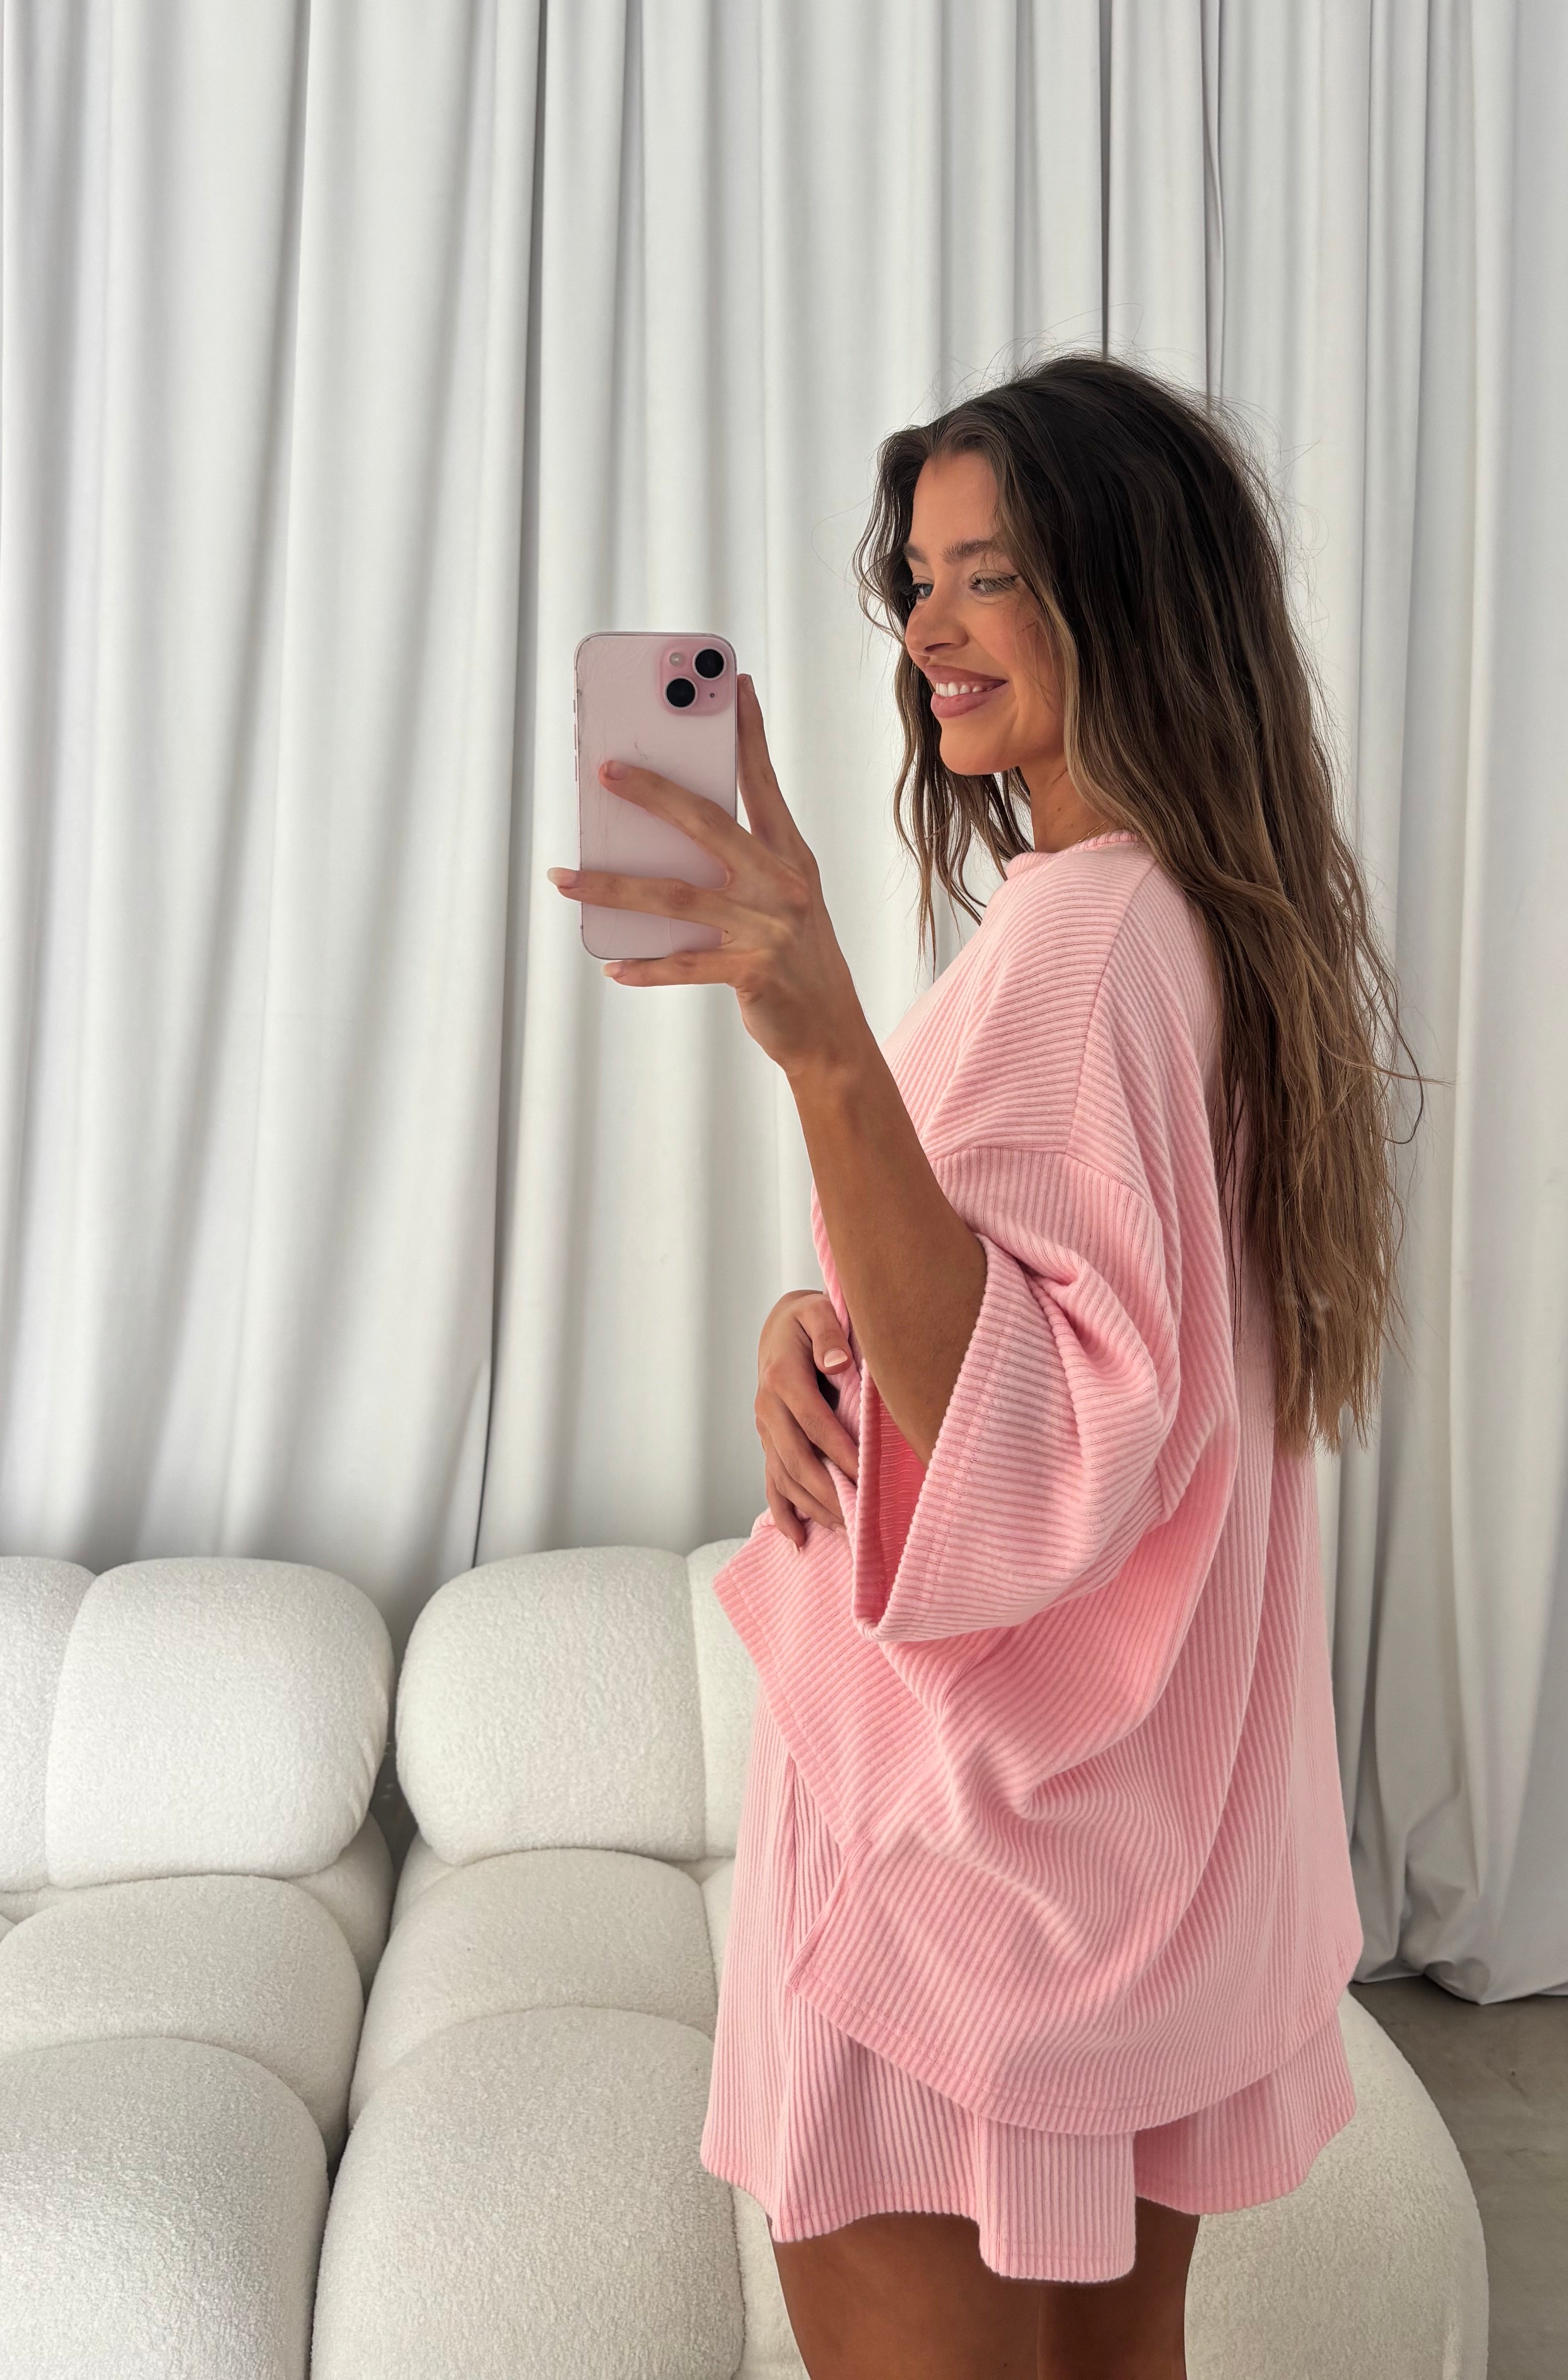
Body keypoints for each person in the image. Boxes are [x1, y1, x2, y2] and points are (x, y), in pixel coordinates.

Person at [546, 350, 1417, 2379]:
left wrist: (826, 1045)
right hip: (1130, 1868)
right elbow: (1096, 1335)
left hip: (963, 1884)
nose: (930, 629)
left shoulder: (1081, 948)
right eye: (918, 580)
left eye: (993, 574)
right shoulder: (1200, 925)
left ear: (1132, 591)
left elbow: (1028, 1438)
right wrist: (826, 1326)